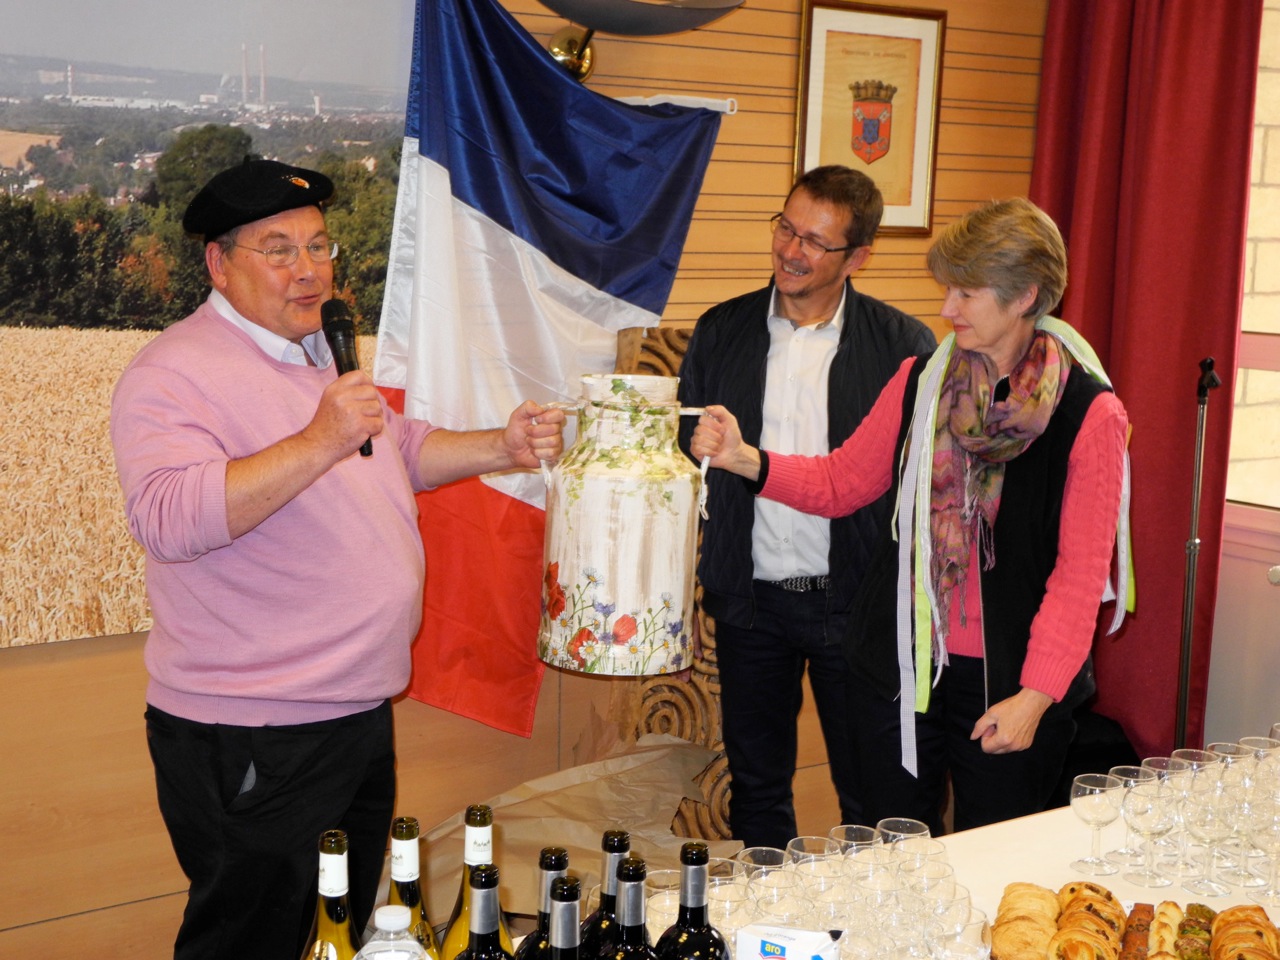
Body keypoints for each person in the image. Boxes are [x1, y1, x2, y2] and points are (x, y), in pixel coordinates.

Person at [109, 157, 565, 960]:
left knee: (337, 940)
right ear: (219, 262)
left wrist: (502, 444)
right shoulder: (172, 372)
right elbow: (169, 519)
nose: (310, 270)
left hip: (352, 715)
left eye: (320, 247)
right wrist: (319, 438)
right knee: (249, 942)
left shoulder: (321, 351)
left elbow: (398, 447)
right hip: (252, 729)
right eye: (279, 249)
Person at [691, 197, 1130, 835]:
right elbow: (841, 482)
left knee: (994, 855)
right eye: (948, 289)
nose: (947, 309)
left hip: (1009, 678)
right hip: (900, 664)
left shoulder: (1089, 415)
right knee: (890, 846)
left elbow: (1079, 575)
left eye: (967, 293)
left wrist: (1036, 697)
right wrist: (742, 457)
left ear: (1024, 297)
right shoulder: (921, 379)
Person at [676, 165, 936, 848]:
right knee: (757, 788)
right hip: (750, 602)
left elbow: (910, 478)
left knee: (873, 796)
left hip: (855, 602)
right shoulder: (721, 329)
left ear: (859, 257)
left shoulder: (903, 347)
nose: (791, 250)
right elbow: (686, 442)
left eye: (815, 242)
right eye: (786, 228)